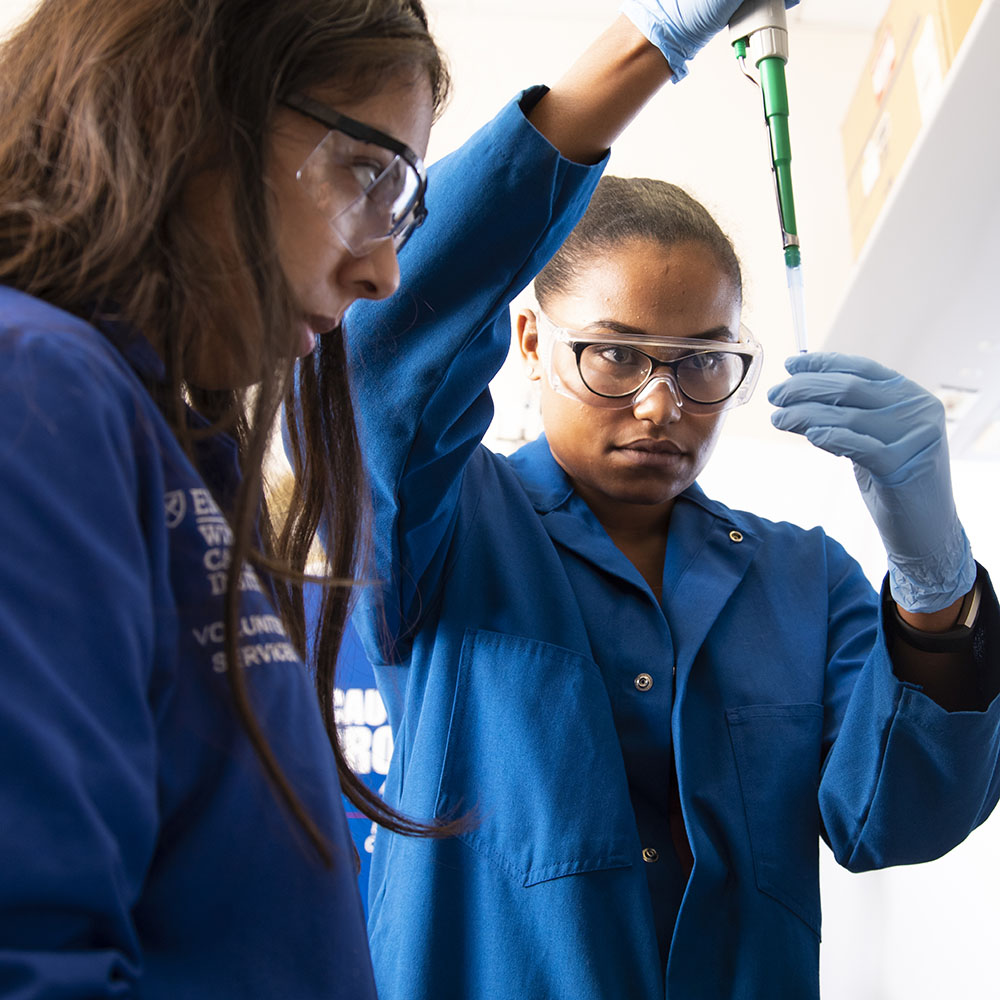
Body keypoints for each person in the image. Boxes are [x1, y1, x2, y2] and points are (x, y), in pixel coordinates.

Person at [336, 11, 1000, 1000]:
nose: (663, 402)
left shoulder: (802, 578)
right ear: (527, 339)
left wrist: (933, 584)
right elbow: (390, 341)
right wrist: (644, 48)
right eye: (613, 353)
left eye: (702, 363)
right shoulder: (442, 526)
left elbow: (892, 817)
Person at [0, 0, 452, 995]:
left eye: (400, 209)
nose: (381, 271)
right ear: (188, 100)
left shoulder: (157, 429)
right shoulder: (31, 383)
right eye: (366, 175)